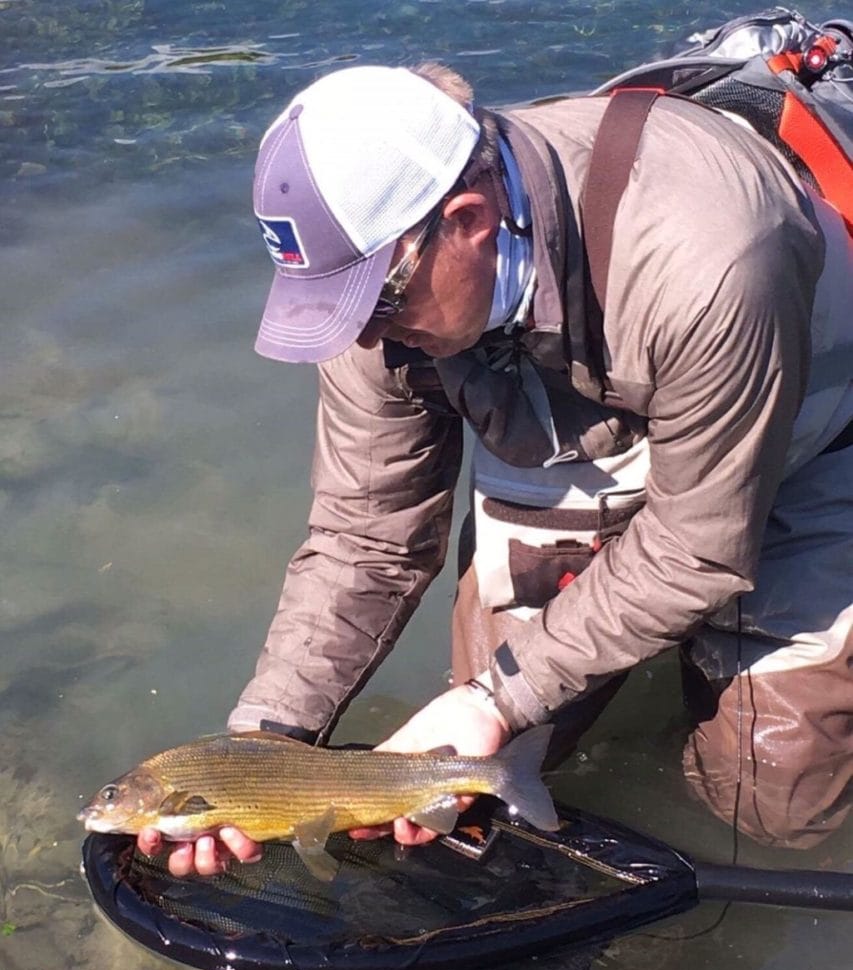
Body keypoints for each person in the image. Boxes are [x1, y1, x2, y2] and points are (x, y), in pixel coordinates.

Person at [139, 59, 852, 877]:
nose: (362, 339)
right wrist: (263, 748)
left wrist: (495, 696)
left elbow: (697, 546)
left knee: (770, 807)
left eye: (373, 305)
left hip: (796, 429)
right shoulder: (375, 296)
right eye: (331, 307)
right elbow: (364, 539)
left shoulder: (715, 256)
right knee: (483, 769)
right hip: (567, 420)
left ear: (469, 220)